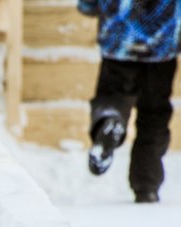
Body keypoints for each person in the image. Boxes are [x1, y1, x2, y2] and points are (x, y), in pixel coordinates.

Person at [77, 0, 181, 203]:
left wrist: (90, 6)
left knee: (112, 95)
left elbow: (87, 6)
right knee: (154, 113)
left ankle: (109, 122)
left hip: (119, 37)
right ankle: (146, 185)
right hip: (163, 43)